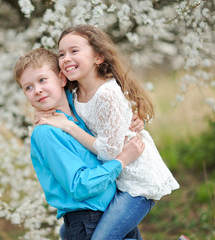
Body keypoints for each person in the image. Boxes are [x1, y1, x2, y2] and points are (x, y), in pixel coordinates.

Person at [36, 25, 180, 240]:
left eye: (74, 51)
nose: (66, 58)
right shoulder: (75, 92)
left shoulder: (107, 94)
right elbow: (50, 100)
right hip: (113, 180)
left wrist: (70, 127)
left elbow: (111, 152)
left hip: (137, 183)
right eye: (61, 54)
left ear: (98, 56)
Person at [13, 47, 145, 240]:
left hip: (115, 211)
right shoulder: (46, 132)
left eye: (42, 80)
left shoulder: (81, 110)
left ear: (61, 78)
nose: (37, 90)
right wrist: (122, 160)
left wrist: (133, 120)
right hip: (87, 220)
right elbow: (79, 186)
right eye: (28, 87)